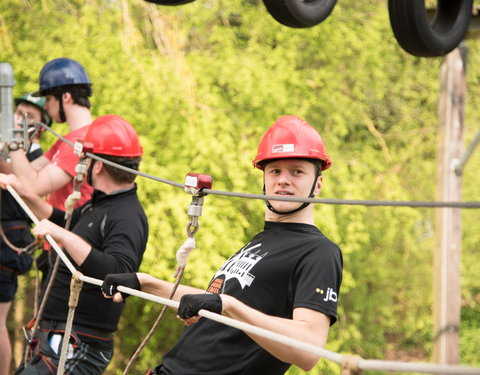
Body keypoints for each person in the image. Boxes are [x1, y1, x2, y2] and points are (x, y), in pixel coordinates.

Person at [102, 115, 343, 375]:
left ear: (317, 184)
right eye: (275, 170)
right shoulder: (262, 241)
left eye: (297, 171)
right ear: (264, 178)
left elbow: (309, 349)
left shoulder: (319, 252)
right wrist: (145, 283)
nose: (283, 180)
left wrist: (227, 304)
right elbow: (214, 304)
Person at [0, 114, 149, 374]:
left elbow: (120, 271)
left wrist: (62, 236)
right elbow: (61, 220)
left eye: (85, 160)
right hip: (56, 338)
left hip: (78, 344)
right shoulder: (99, 204)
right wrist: (23, 192)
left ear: (98, 166)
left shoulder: (127, 216)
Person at [0, 93, 51, 375]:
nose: (19, 119)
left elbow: (27, 184)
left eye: (28, 116)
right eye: (18, 112)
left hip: (9, 239)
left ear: (41, 127)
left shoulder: (37, 159)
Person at [8, 57, 94, 211]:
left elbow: (33, 186)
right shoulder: (68, 140)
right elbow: (24, 172)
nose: (46, 107)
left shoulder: (80, 142)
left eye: (48, 99)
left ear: (65, 97)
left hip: (70, 229)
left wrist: (13, 140)